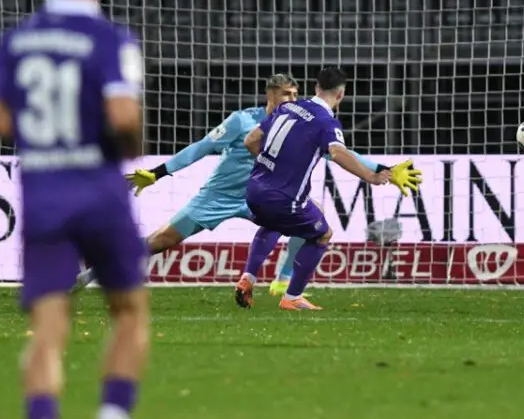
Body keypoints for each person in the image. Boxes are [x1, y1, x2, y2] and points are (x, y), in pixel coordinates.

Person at [0, 0, 152, 419]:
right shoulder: (111, 39)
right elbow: (122, 118)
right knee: (129, 314)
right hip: (98, 190)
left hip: (45, 194)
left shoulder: (19, 39)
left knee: (49, 329)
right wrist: (124, 143)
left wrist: (42, 136)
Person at [82, 74, 415, 296]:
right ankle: (92, 273)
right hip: (221, 195)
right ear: (270, 94)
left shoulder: (299, 121)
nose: (291, 98)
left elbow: (342, 151)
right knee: (161, 240)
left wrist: (383, 169)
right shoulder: (242, 121)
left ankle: (280, 281)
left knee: (312, 221)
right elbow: (200, 148)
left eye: (296, 94)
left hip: (264, 196)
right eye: (286, 93)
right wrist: (158, 172)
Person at [239, 67, 421, 310]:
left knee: (273, 223)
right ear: (341, 95)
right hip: (284, 197)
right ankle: (292, 297)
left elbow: (250, 140)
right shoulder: (326, 122)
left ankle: (247, 278)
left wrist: (271, 165)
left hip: (253, 189)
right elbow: (338, 153)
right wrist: (371, 177)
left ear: (316, 88)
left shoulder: (287, 107)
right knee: (322, 234)